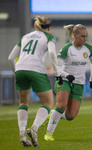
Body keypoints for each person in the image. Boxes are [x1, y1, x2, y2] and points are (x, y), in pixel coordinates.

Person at [8, 16, 60, 147]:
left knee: (23, 103)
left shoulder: (25, 37)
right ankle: (34, 129)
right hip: (35, 70)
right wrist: (57, 70)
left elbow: (11, 57)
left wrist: (16, 69)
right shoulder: (49, 37)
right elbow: (53, 54)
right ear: (49, 27)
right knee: (48, 102)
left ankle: (22, 134)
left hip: (20, 69)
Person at [44, 24, 92, 141]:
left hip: (79, 83)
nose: (85, 39)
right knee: (61, 106)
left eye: (86, 36)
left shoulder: (89, 49)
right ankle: (49, 133)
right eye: (82, 36)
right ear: (75, 35)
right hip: (64, 80)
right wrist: (66, 75)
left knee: (71, 115)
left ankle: (53, 114)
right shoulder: (67, 48)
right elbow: (56, 66)